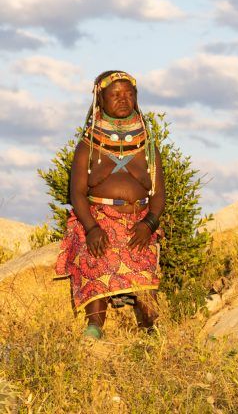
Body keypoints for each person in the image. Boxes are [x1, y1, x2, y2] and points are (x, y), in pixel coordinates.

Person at [55, 70, 165, 338]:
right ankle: (94, 327)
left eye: (129, 94)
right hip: (99, 217)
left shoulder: (147, 146)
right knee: (98, 256)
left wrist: (149, 223)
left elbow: (159, 194)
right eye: (115, 94)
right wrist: (91, 228)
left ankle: (150, 329)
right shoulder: (88, 147)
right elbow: (78, 194)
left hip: (139, 221)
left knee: (141, 260)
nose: (123, 99)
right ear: (100, 99)